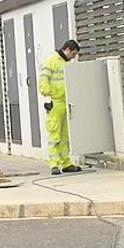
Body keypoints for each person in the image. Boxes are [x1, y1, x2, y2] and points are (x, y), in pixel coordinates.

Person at [38, 40, 82, 175]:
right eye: (73, 54)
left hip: (65, 102)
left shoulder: (66, 63)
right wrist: (47, 99)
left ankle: (66, 163)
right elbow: (43, 80)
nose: (74, 57)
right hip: (55, 103)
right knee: (55, 135)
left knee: (65, 136)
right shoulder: (51, 61)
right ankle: (54, 165)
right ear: (68, 49)